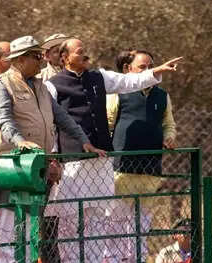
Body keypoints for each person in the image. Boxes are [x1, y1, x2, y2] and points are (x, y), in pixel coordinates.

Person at [44, 39, 182, 262]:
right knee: (70, 218)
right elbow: (49, 123)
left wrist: (156, 71)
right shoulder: (52, 85)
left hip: (100, 160)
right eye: (80, 52)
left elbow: (129, 81)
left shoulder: (99, 77)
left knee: (98, 219)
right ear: (65, 57)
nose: (85, 55)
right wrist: (52, 157)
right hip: (71, 161)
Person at [0, 35, 104, 263]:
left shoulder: (40, 86)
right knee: (6, 226)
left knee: (31, 224)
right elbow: (4, 119)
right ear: (20, 59)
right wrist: (19, 141)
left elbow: (62, 117)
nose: (41, 60)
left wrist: (83, 140)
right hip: (13, 164)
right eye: (35, 56)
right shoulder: (1, 85)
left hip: (38, 164)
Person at [107, 49, 178, 261]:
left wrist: (169, 138)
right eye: (142, 67)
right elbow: (108, 124)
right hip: (121, 169)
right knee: (116, 222)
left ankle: (138, 258)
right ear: (128, 69)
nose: (149, 71)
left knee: (142, 224)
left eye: (151, 67)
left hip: (150, 169)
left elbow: (168, 124)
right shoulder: (117, 93)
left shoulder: (162, 96)